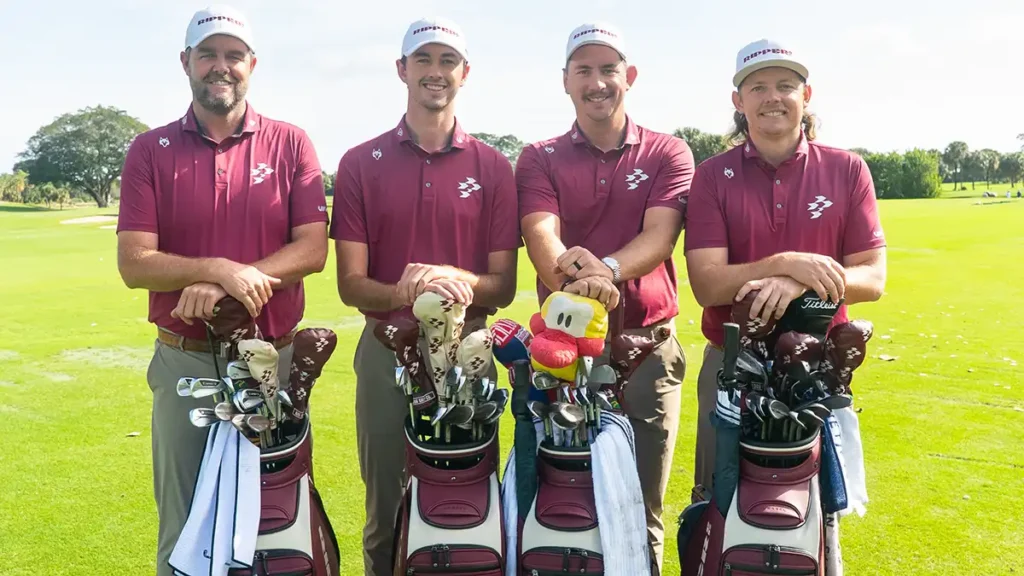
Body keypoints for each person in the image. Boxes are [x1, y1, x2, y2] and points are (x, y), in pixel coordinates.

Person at [114, 5, 329, 575]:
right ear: (186, 61)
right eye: (208, 53)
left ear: (252, 64)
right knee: (186, 528)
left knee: (276, 523)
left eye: (234, 55)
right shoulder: (150, 150)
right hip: (186, 362)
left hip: (276, 360)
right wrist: (218, 270)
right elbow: (134, 263)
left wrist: (228, 282)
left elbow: (312, 250)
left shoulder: (291, 143)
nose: (221, 65)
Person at [328, 17, 519, 575]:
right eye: (424, 60)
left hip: (470, 350)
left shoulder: (493, 167)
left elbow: (503, 286)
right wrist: (402, 290)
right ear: (402, 69)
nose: (436, 72)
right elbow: (350, 284)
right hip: (386, 346)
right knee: (387, 506)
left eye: (447, 61)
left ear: (464, 72)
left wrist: (448, 278)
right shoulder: (360, 163)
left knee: (469, 498)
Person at [516, 22, 694, 573]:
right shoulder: (539, 156)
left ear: (629, 76)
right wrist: (581, 278)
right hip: (561, 352)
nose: (597, 82)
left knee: (642, 508)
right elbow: (542, 235)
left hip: (647, 349)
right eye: (584, 70)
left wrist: (604, 271)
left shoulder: (667, 151)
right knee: (559, 502)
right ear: (566, 81)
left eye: (609, 69)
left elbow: (660, 235)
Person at [683, 39, 888, 495]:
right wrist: (785, 264)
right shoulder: (712, 175)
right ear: (738, 101)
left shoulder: (848, 169)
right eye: (757, 87)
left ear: (806, 95)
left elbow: (873, 278)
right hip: (731, 361)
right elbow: (707, 285)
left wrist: (798, 284)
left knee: (815, 506)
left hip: (821, 364)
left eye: (785, 85)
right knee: (717, 499)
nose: (772, 97)